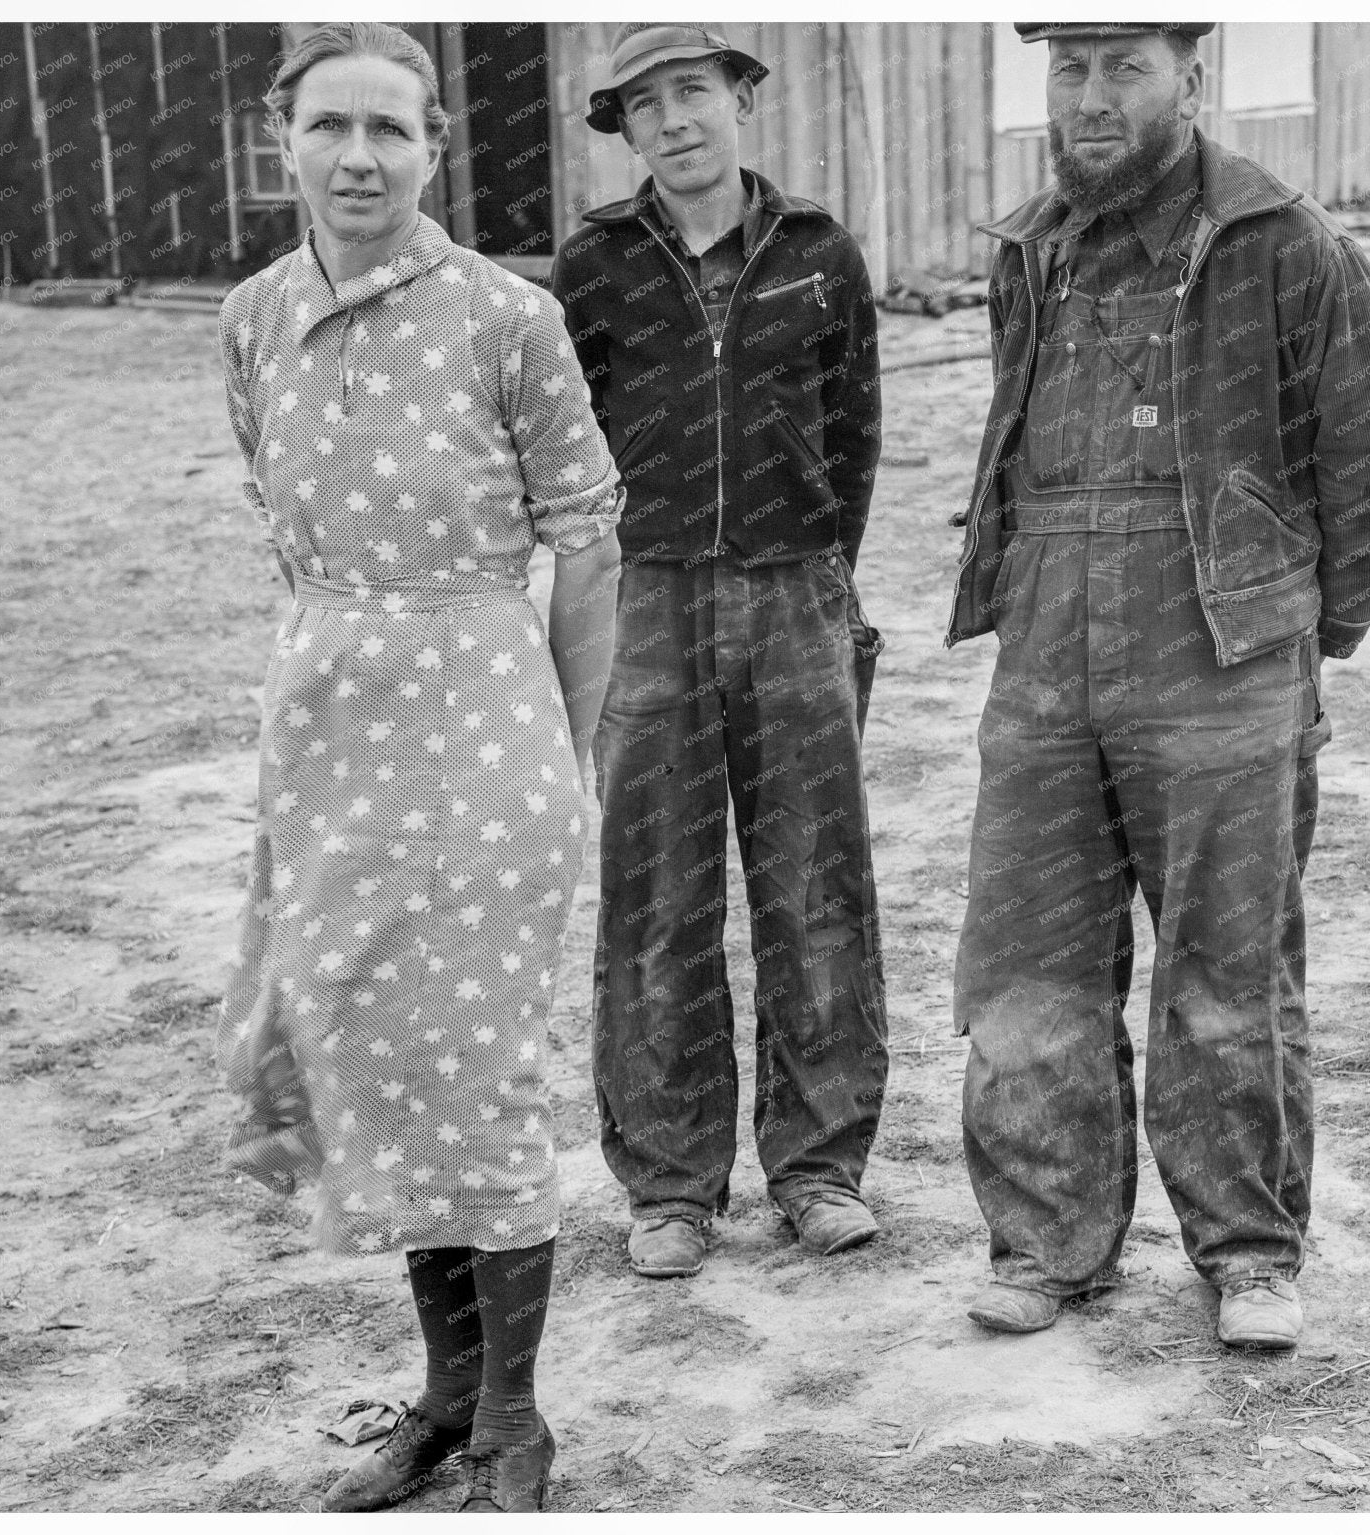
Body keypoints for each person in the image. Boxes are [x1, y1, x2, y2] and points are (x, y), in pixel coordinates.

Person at [945, 22, 1370, 1347]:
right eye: (1071, 69)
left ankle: (1249, 1252)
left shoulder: (1283, 245)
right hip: (1045, 649)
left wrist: (1295, 631)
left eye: (1126, 67)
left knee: (1227, 971)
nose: (1093, 97)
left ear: (1189, 81)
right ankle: (1045, 1244)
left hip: (1221, 657)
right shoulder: (1028, 249)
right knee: (1028, 961)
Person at [214, 22, 622, 1512]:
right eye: (330, 125)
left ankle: (516, 1415)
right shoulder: (252, 318)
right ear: (283, 140)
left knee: (478, 1064)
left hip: (483, 721)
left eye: (390, 128)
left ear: (436, 148)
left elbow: (588, 541)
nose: (358, 157)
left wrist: (563, 748)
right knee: (377, 1060)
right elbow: (285, 524)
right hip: (328, 729)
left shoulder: (510, 317)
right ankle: (447, 1395)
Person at [548, 23, 889, 1281]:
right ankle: (670, 1183)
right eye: (643, 107)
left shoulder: (819, 251)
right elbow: (567, 442)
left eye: (691, 92)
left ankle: (818, 1169)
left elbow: (853, 431)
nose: (672, 121)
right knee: (655, 894)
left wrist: (817, 569)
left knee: (814, 886)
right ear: (625, 132)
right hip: (645, 601)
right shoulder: (591, 263)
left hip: (794, 593)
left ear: (740, 98)